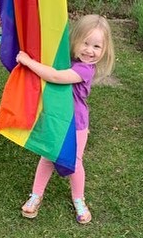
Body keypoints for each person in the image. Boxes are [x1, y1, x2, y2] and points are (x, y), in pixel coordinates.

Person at [16, 14, 115, 224]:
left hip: (75, 125)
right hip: (56, 119)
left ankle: (79, 199)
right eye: (85, 43)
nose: (90, 50)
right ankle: (36, 196)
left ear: (104, 50)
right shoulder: (67, 61)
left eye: (97, 46)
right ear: (75, 40)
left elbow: (53, 76)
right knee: (48, 157)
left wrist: (27, 61)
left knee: (74, 163)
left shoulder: (84, 69)